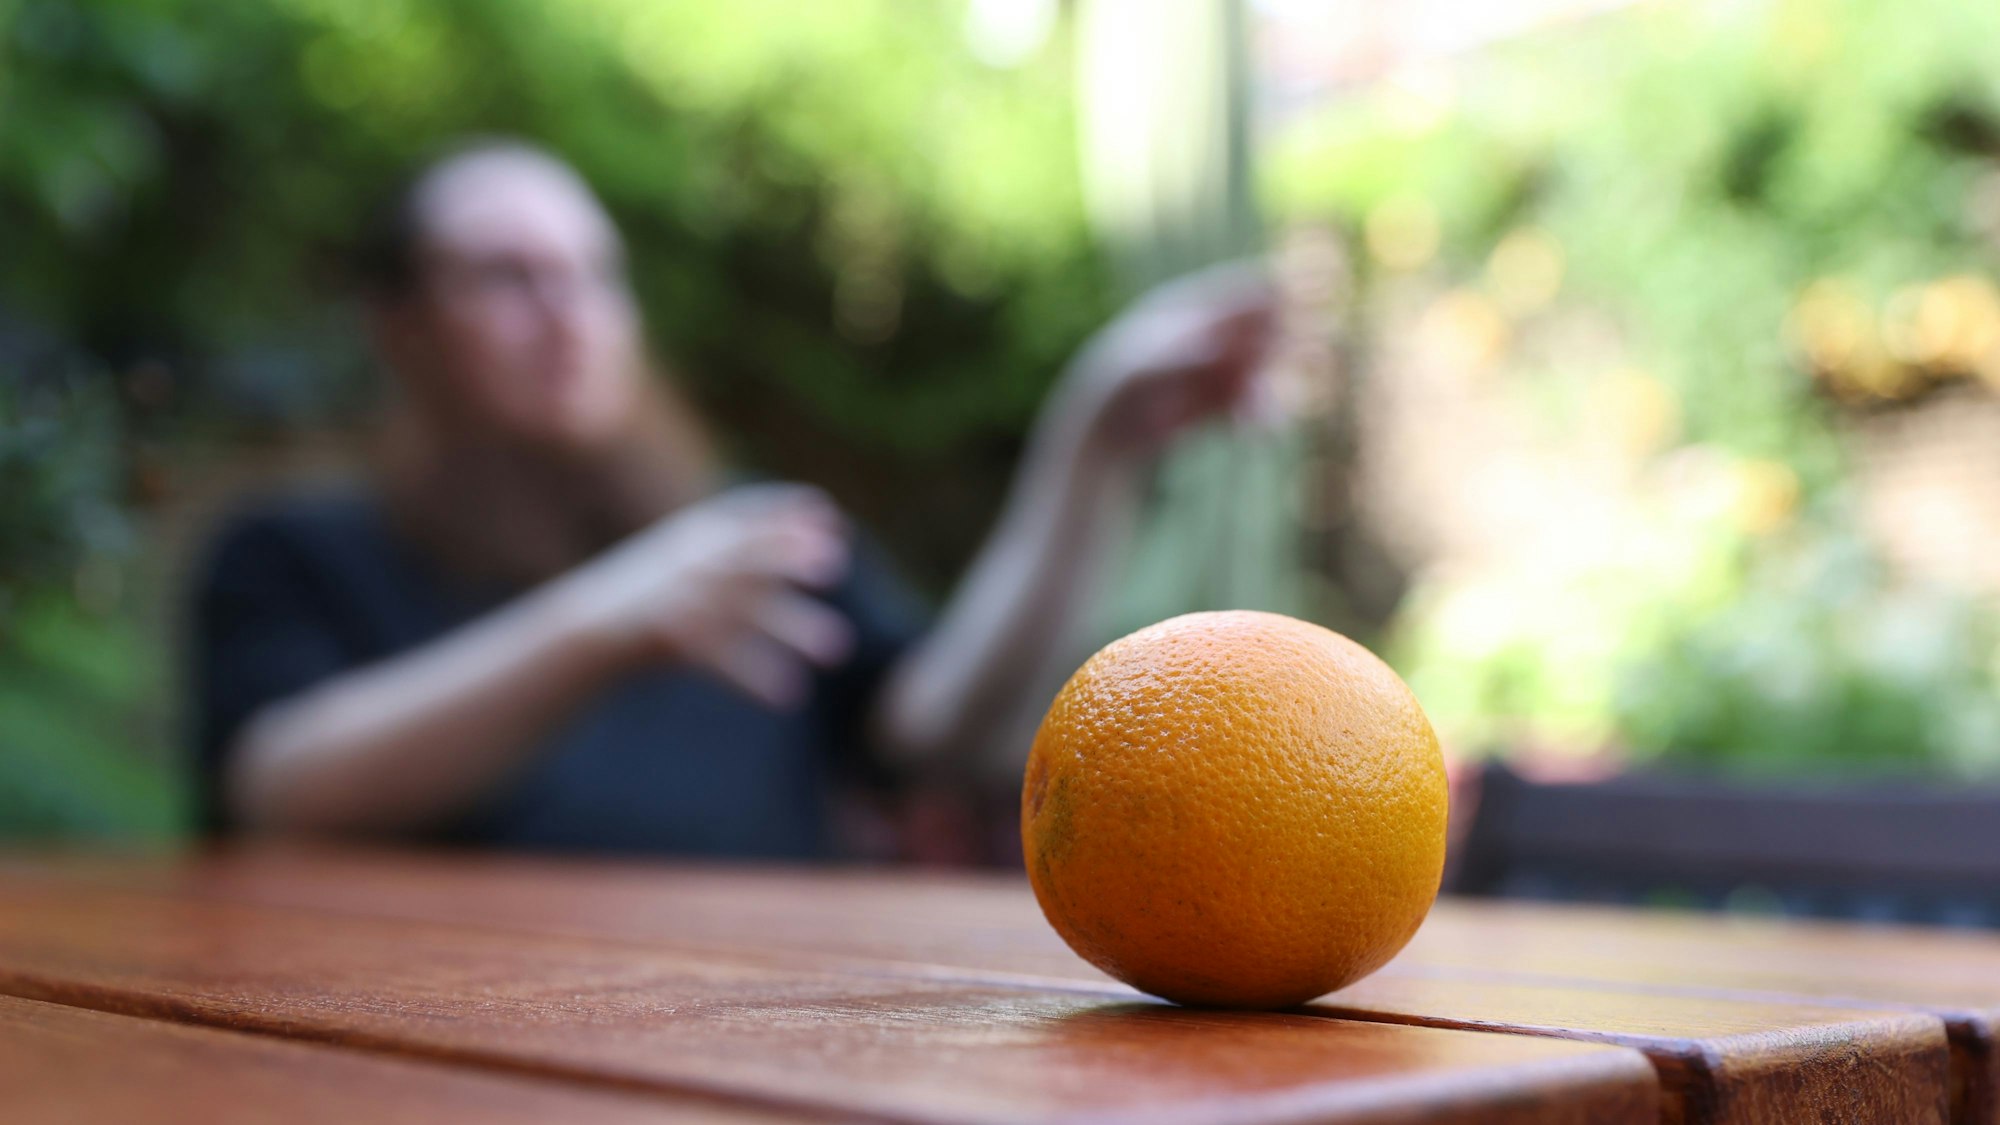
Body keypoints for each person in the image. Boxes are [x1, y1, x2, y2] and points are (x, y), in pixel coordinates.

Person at [191, 139, 1274, 858]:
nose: (567, 313)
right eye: (506, 277)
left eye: (592, 275)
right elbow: (276, 792)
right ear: (402, 326)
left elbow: (952, 726)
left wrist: (1091, 446)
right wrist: (605, 622)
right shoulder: (293, 553)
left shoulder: (746, 544)